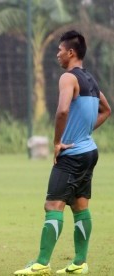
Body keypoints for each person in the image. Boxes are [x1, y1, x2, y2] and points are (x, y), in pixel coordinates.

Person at [14, 30, 110, 275]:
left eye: (59, 49)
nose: (56, 54)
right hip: (89, 152)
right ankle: (80, 262)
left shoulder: (68, 78)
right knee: (80, 207)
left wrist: (58, 142)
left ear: (71, 52)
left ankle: (42, 263)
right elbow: (106, 110)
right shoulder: (90, 79)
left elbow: (62, 111)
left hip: (72, 154)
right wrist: (84, 132)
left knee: (52, 205)